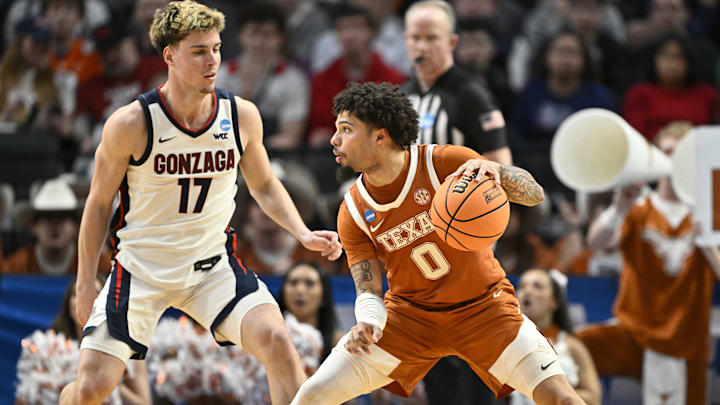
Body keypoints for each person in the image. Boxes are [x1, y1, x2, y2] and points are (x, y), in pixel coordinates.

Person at [58, 2, 342, 404]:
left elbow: (263, 184)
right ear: (169, 55)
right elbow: (98, 204)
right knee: (91, 388)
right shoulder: (131, 123)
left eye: (216, 48)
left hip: (211, 268)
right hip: (141, 270)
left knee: (278, 340)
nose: (213, 61)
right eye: (199, 51)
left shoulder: (240, 115)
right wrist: (85, 281)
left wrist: (302, 232)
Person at [291, 81, 585, 405]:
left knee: (563, 399)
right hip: (410, 320)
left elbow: (534, 194)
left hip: (485, 310)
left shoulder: (444, 163)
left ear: (380, 136)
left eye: (346, 129)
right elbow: (368, 289)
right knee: (310, 396)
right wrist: (368, 322)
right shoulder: (353, 211)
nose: (334, 139)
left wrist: (498, 171)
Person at [577, 121, 720, 405]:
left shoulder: (712, 211)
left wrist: (709, 241)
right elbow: (596, 242)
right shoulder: (639, 208)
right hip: (633, 332)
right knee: (565, 351)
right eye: (669, 151)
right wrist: (618, 210)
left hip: (688, 341)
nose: (675, 160)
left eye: (683, 154)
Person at [402, 0, 511, 166]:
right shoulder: (403, 96)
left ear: (451, 42)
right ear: (405, 40)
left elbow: (501, 164)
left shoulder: (471, 94)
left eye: (432, 38)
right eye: (415, 38)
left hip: (458, 190)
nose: (422, 47)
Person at [15, 275, 151, 404]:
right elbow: (22, 399)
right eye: (77, 293)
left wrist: (109, 383)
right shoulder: (45, 350)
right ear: (68, 306)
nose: (86, 297)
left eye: (96, 292)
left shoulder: (127, 350)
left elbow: (144, 403)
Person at [306, 3, 405, 148]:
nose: (349, 36)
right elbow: (319, 127)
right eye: (343, 29)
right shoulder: (321, 81)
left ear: (372, 32)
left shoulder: (394, 80)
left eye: (357, 28)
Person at [215, 1, 309, 151]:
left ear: (281, 39)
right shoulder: (223, 75)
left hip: (276, 156)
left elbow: (290, 137)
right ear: (241, 36)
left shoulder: (293, 80)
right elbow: (214, 129)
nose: (259, 42)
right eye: (253, 33)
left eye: (267, 35)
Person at [511, 269, 601, 405]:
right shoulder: (507, 345)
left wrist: (553, 393)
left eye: (537, 286)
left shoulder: (573, 346)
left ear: (555, 301)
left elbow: (593, 399)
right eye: (522, 286)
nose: (527, 291)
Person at [1, 178, 113, 275]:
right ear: (34, 227)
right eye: (47, 218)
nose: (55, 226)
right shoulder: (18, 265)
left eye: (62, 218)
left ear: (75, 226)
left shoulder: (96, 263)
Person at [621, 33, 719, 142]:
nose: (671, 63)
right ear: (654, 58)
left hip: (698, 153)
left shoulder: (706, 94)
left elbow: (714, 135)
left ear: (689, 62)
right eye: (665, 55)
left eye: (678, 57)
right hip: (651, 154)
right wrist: (664, 139)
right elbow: (633, 139)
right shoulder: (638, 94)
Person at [278, 261, 343, 361]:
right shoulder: (272, 337)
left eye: (310, 283)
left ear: (323, 295)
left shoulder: (339, 344)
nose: (300, 290)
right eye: (293, 282)